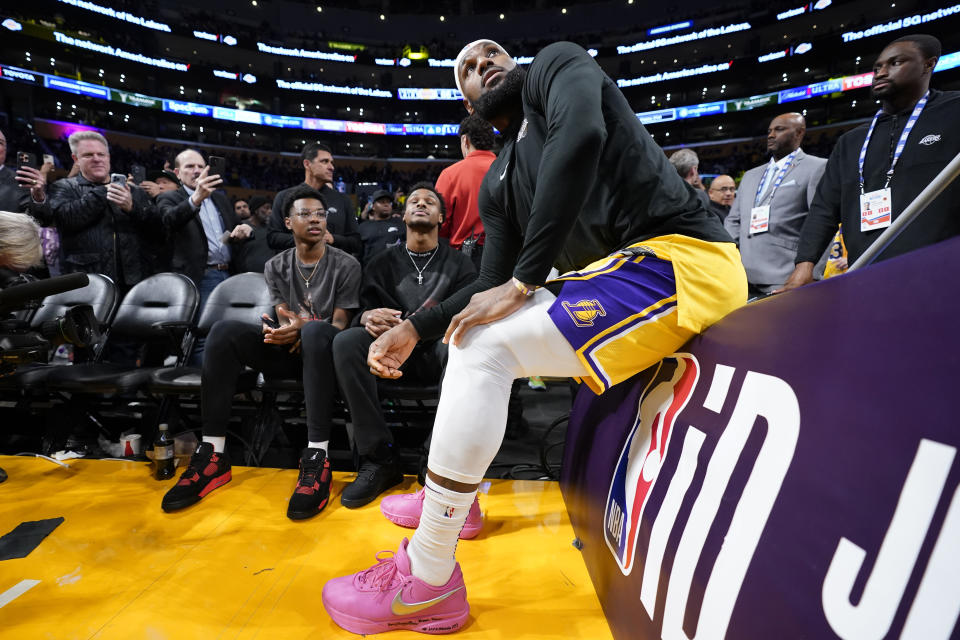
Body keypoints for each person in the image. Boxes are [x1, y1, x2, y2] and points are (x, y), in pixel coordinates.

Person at [321, 40, 745, 635]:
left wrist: (526, 279)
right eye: (467, 68)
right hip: (619, 277)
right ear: (465, 99)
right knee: (473, 332)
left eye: (492, 54)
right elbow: (488, 284)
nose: (483, 64)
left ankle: (428, 574)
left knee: (487, 346)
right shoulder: (499, 179)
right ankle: (453, 505)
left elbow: (581, 141)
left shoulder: (556, 66)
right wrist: (416, 328)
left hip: (683, 261)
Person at [161, 185, 361, 519]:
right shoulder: (275, 265)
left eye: (321, 214)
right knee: (224, 331)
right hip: (290, 351)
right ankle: (214, 454)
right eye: (305, 213)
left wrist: (306, 327)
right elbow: (284, 315)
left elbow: (340, 324)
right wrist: (282, 331)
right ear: (287, 222)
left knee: (315, 331)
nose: (315, 220)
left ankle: (317, 457)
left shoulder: (347, 264)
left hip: (326, 356)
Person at [333, 183, 476, 508]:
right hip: (389, 356)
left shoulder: (461, 265)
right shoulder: (382, 261)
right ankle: (380, 458)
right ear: (404, 213)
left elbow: (465, 312)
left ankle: (435, 459)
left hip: (437, 353)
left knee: (462, 347)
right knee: (346, 342)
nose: (421, 204)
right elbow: (363, 311)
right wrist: (367, 316)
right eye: (414, 201)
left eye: (429, 202)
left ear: (442, 216)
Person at [783, 34, 960, 290]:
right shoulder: (850, 142)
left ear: (928, 64)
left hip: (941, 277)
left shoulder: (954, 111)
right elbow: (823, 209)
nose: (881, 72)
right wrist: (804, 266)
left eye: (895, 63)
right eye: (877, 67)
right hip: (866, 277)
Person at [724, 113, 827, 297]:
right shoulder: (750, 175)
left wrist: (812, 272)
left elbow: (821, 222)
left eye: (779, 129)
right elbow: (733, 220)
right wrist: (731, 254)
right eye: (769, 131)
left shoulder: (817, 167)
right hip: (742, 277)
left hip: (786, 275)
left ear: (799, 133)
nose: (771, 135)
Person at [47, 131, 156, 294]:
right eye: (88, 155)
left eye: (101, 154)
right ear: (76, 159)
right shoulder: (63, 187)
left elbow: (157, 228)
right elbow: (66, 220)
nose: (97, 159)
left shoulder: (134, 192)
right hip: (87, 282)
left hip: (134, 282)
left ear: (108, 157)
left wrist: (133, 209)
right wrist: (103, 191)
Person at [267, 142, 361, 257]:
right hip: (295, 270)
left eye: (331, 162)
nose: (331, 167)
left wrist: (333, 239)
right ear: (307, 164)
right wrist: (307, 239)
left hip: (333, 271)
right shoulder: (284, 197)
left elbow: (356, 242)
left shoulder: (343, 200)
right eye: (324, 161)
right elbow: (273, 238)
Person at [436, 115, 497, 271]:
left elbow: (440, 224)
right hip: (506, 256)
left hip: (464, 259)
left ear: (465, 140)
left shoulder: (450, 174)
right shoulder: (511, 168)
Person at [0, 129, 50, 222]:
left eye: (0, 142)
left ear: (5, 150)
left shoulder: (22, 182)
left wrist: (38, 198)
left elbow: (41, 221)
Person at [232, 194, 276, 273]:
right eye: (266, 208)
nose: (270, 211)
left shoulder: (271, 228)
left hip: (270, 276)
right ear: (256, 210)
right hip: (248, 278)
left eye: (270, 208)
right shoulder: (241, 227)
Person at [358, 189, 404, 261]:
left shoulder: (400, 223)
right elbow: (358, 255)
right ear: (373, 206)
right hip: (371, 270)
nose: (386, 204)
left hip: (397, 270)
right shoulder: (363, 227)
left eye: (388, 202)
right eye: (382, 202)